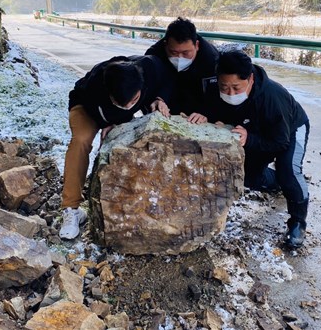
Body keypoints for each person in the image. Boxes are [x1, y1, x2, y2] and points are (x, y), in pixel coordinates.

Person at [205, 50, 310, 248]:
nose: (230, 94)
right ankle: (276, 184)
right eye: (224, 87)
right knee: (248, 176)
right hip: (250, 131)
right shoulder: (213, 88)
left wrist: (250, 138)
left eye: (236, 88)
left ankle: (297, 223)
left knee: (288, 171)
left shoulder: (272, 96)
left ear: (250, 79)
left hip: (290, 130)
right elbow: (213, 112)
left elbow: (281, 142)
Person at [60, 55, 171, 239]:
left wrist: (159, 99)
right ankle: (71, 209)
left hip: (116, 114)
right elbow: (98, 111)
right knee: (81, 141)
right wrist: (110, 121)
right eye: (121, 104)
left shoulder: (149, 67)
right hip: (87, 109)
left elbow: (167, 80)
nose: (128, 106)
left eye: (133, 101)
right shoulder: (95, 84)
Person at [145, 17, 219, 122]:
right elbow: (144, 87)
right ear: (165, 45)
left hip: (196, 99)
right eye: (173, 52)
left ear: (196, 45)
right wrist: (156, 99)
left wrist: (205, 113)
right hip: (167, 101)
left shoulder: (211, 59)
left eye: (186, 53)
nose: (180, 58)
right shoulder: (154, 56)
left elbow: (215, 95)